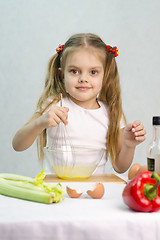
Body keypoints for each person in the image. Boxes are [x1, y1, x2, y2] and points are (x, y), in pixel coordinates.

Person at [12, 33, 146, 174]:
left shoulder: (112, 114)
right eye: (74, 71)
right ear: (62, 74)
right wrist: (41, 123)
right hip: (57, 190)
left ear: (105, 75)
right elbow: (17, 145)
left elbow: (120, 167)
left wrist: (129, 145)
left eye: (93, 72)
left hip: (92, 193)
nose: (83, 78)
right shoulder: (55, 104)